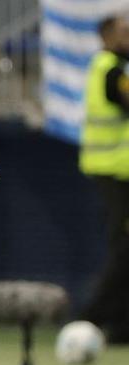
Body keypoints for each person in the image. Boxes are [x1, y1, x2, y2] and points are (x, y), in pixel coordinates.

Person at [78, 15, 129, 345]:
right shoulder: (110, 69)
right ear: (107, 36)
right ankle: (90, 319)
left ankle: (121, 326)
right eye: (124, 32)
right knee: (124, 247)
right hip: (112, 170)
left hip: (118, 170)